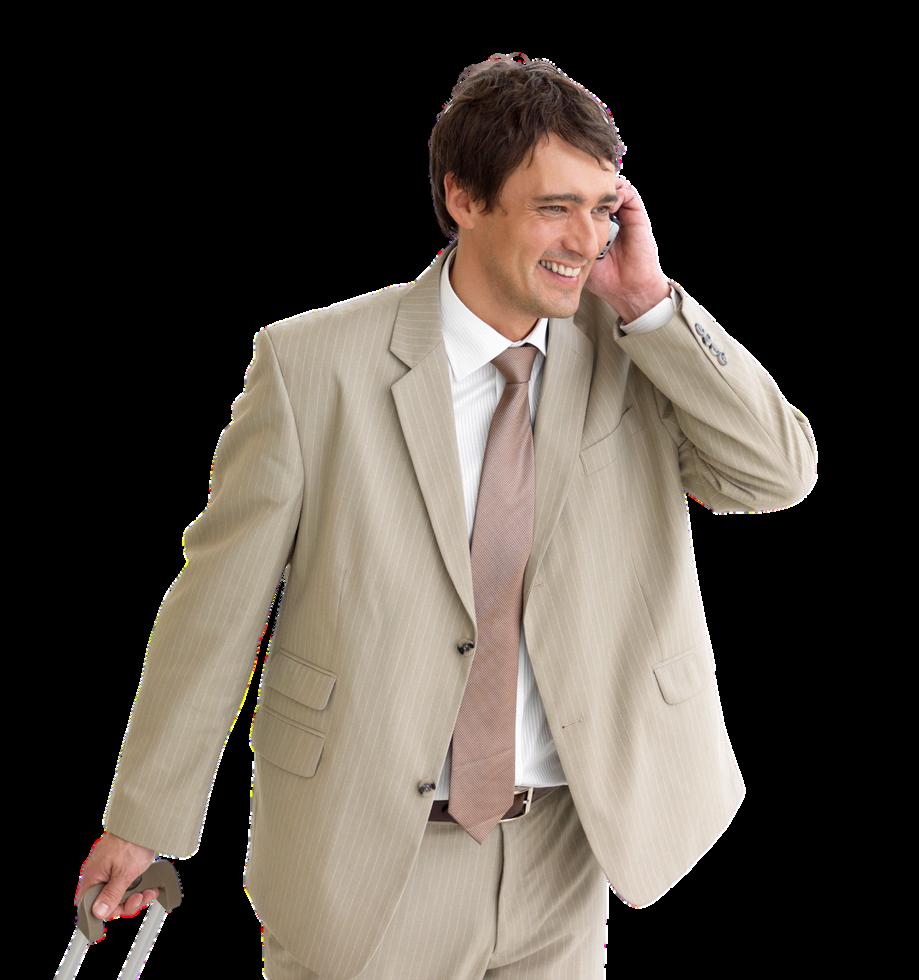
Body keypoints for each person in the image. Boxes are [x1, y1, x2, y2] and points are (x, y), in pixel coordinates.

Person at [74, 52, 818, 978]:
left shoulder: (637, 350)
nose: (585, 239)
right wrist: (143, 819)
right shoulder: (312, 367)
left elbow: (775, 475)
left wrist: (648, 303)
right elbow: (217, 609)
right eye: (555, 207)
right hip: (365, 855)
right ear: (464, 197)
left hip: (565, 848)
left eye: (603, 208)